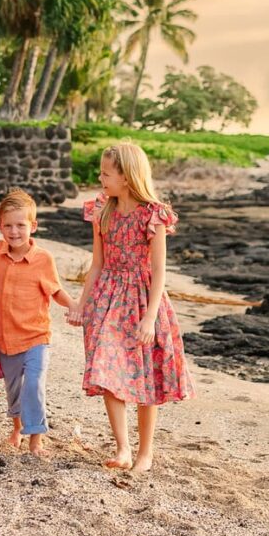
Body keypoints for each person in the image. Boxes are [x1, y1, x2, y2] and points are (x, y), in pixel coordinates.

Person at [72, 140, 192, 474]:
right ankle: (123, 448)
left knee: (145, 377)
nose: (100, 178)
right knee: (107, 369)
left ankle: (145, 452)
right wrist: (82, 304)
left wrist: (150, 317)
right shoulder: (102, 211)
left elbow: (159, 272)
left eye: (106, 173)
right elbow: (96, 264)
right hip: (108, 298)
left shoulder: (153, 215)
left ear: (127, 176)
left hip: (143, 301)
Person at [0, 187, 79, 458]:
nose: (14, 231)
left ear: (33, 226)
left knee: (33, 384)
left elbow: (55, 290)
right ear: (0, 227)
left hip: (37, 337)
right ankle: (16, 428)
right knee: (14, 391)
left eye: (20, 225)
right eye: (7, 226)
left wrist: (74, 307)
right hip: (6, 338)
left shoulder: (43, 259)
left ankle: (36, 439)